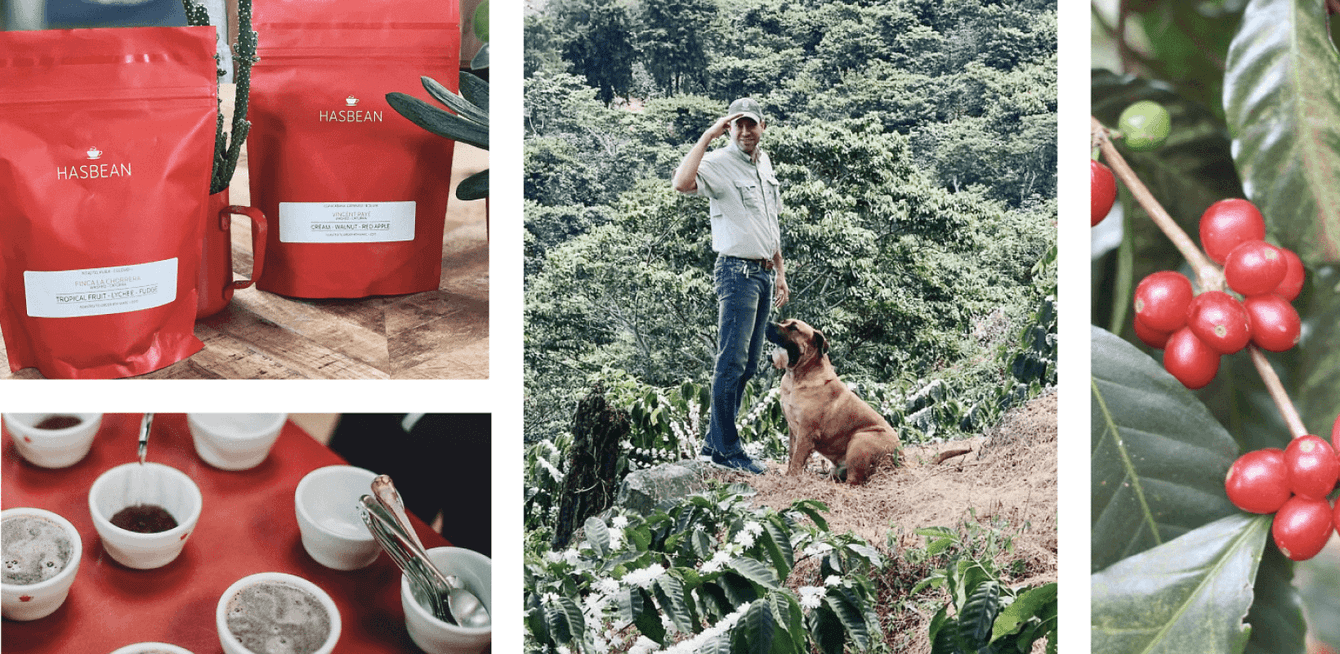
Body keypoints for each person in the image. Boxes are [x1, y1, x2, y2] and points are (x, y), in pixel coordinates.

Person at [672, 97, 789, 474]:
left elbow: (770, 222)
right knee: (731, 363)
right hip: (736, 273)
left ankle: (713, 443)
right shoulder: (719, 163)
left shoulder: (764, 164)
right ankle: (727, 450)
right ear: (729, 127)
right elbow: (681, 183)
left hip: (763, 273)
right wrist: (708, 135)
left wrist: (780, 271)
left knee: (749, 364)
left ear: (762, 126)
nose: (744, 131)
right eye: (736, 125)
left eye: (750, 124)